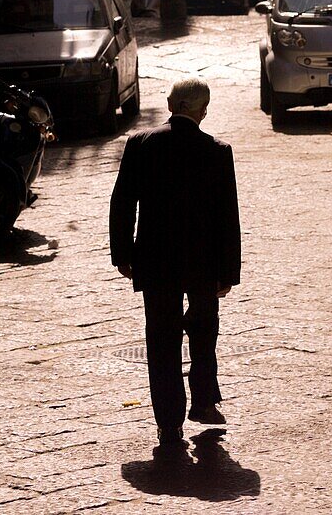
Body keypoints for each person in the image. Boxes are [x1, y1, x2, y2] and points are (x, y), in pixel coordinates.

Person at [109, 77, 241, 446]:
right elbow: (227, 216)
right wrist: (229, 271)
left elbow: (122, 203)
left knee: (161, 340)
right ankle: (203, 400)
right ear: (202, 110)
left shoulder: (141, 144)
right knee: (203, 332)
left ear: (170, 105)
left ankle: (169, 421)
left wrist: (122, 254)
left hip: (155, 260)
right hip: (203, 262)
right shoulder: (217, 150)